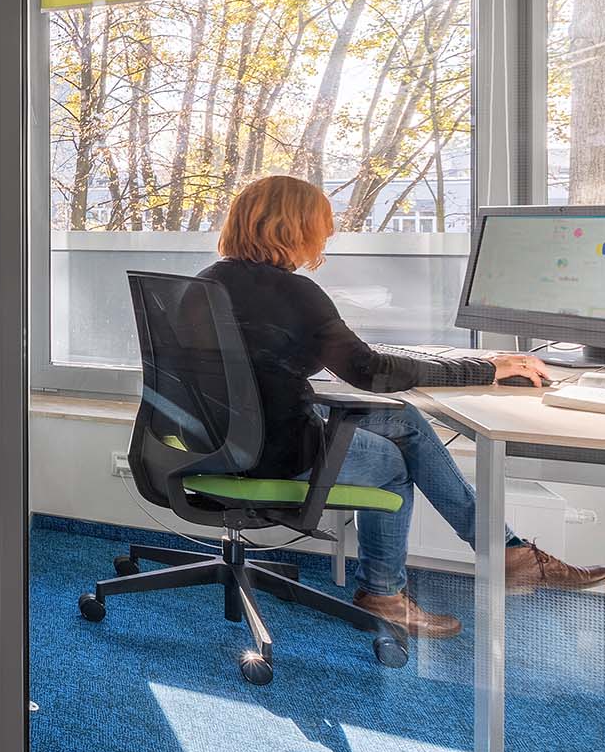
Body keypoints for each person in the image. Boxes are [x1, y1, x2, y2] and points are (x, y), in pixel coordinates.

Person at [199, 174, 605, 638]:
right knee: (393, 460)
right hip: (273, 452)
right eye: (323, 224)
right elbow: (369, 372)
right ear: (294, 227)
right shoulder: (294, 293)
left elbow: (271, 363)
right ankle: (388, 592)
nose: (328, 235)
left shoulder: (209, 282)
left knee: (402, 420)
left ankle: (506, 553)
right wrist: (486, 369)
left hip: (218, 439)